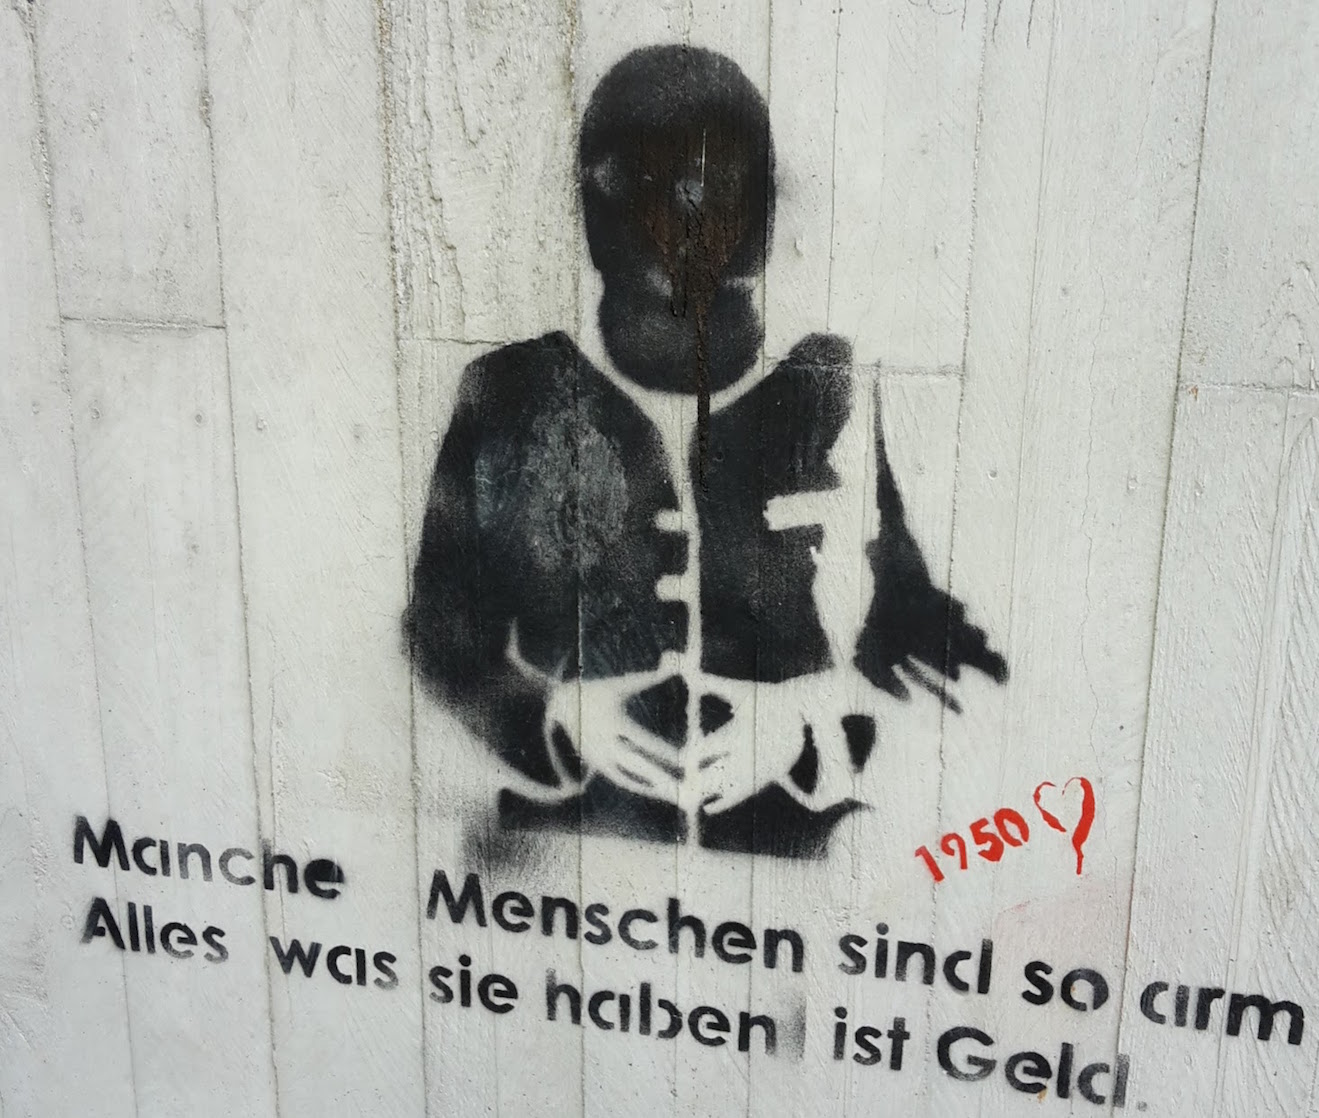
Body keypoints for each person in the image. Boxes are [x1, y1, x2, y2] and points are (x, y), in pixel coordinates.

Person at [404, 44, 1006, 858]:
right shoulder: (509, 395)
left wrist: (803, 724)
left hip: (787, 855)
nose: (681, 222)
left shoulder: (827, 393)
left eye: (714, 186)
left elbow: (920, 638)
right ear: (596, 209)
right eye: (642, 184)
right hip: (564, 863)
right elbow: (440, 637)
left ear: (758, 211)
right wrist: (553, 716)